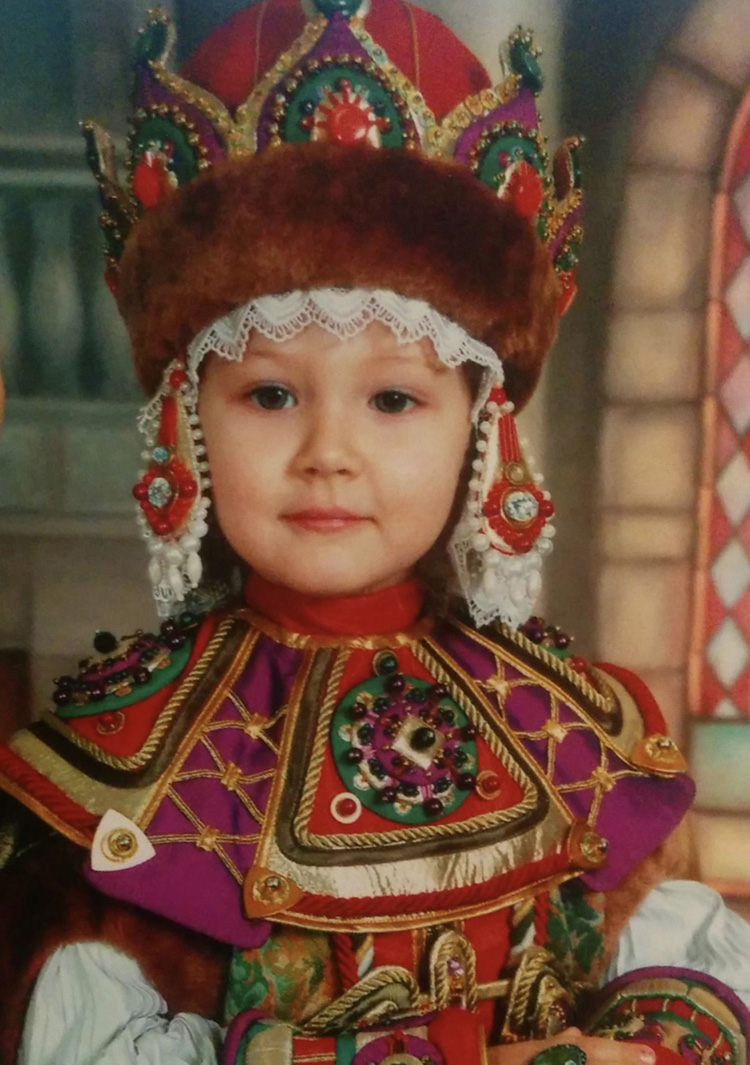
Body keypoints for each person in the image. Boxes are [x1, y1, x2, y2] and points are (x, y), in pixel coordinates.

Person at [0, 2, 748, 1064]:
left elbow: (690, 979)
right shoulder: (101, 781)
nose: (328, 453)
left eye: (393, 402)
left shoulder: (585, 737)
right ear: (183, 418)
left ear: (482, 429)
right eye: (269, 395)